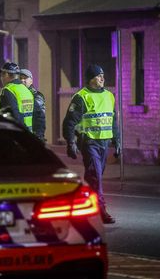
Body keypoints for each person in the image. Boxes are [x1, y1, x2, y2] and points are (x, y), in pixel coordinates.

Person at [62, 64, 120, 224]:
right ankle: (101, 211)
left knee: (94, 177)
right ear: (90, 79)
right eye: (98, 76)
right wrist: (70, 142)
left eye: (102, 75)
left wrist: (117, 140)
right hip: (89, 142)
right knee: (96, 177)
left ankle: (80, 204)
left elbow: (113, 120)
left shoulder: (109, 96)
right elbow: (69, 122)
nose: (102, 78)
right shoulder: (81, 97)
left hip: (104, 143)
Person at [0, 62, 34, 131]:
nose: (1, 78)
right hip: (29, 133)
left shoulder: (8, 90)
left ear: (6, 74)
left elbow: (13, 116)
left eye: (2, 75)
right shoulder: (26, 90)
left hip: (15, 134)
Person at [19, 69, 46, 142]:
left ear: (31, 81)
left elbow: (40, 117)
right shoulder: (17, 94)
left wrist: (39, 135)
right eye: (20, 78)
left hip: (33, 134)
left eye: (25, 78)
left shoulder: (37, 95)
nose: (22, 80)